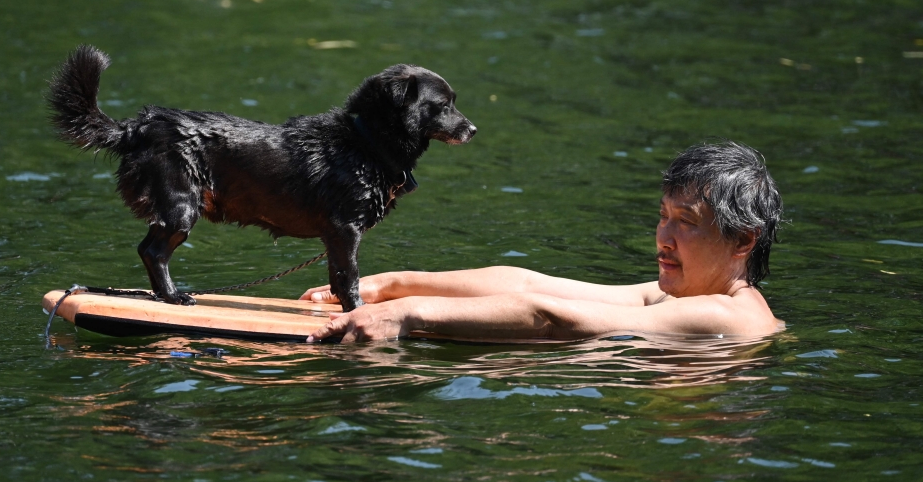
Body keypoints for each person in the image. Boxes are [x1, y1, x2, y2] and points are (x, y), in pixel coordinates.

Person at [303, 141, 784, 343]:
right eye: (663, 217)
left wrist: (405, 315)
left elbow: (553, 317)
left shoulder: (724, 316)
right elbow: (533, 283)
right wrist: (387, 286)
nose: (664, 236)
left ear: (742, 240)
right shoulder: (682, 293)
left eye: (686, 222)